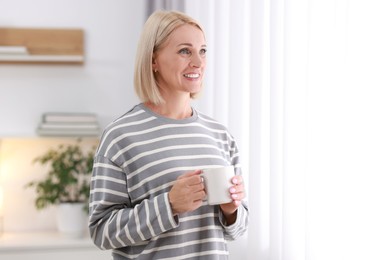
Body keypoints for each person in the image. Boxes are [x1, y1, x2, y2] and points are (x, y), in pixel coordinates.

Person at [88, 10, 249, 260]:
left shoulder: (220, 135)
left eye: (203, 50)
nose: (198, 61)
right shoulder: (120, 136)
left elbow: (238, 230)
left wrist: (232, 210)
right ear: (153, 60)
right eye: (185, 51)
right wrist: (169, 205)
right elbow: (101, 232)